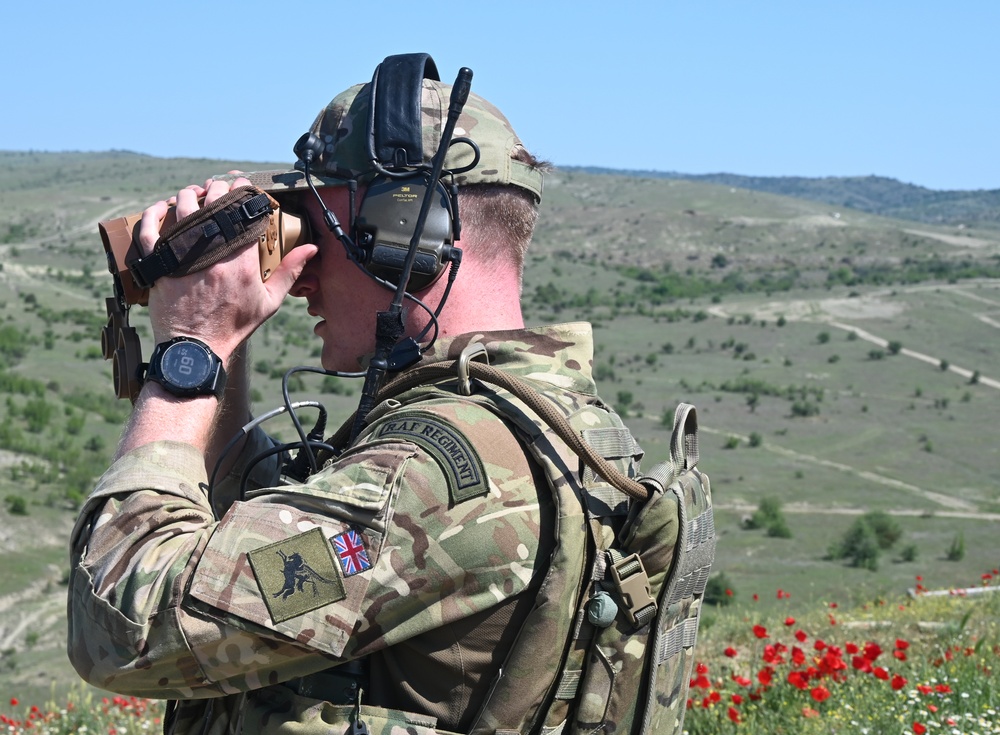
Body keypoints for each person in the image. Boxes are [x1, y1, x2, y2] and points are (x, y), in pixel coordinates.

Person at [69, 54, 710, 735]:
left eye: (316, 229)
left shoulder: (433, 476)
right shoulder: (554, 417)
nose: (302, 272)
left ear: (407, 232)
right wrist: (225, 342)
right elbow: (260, 553)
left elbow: (123, 622)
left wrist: (187, 356)